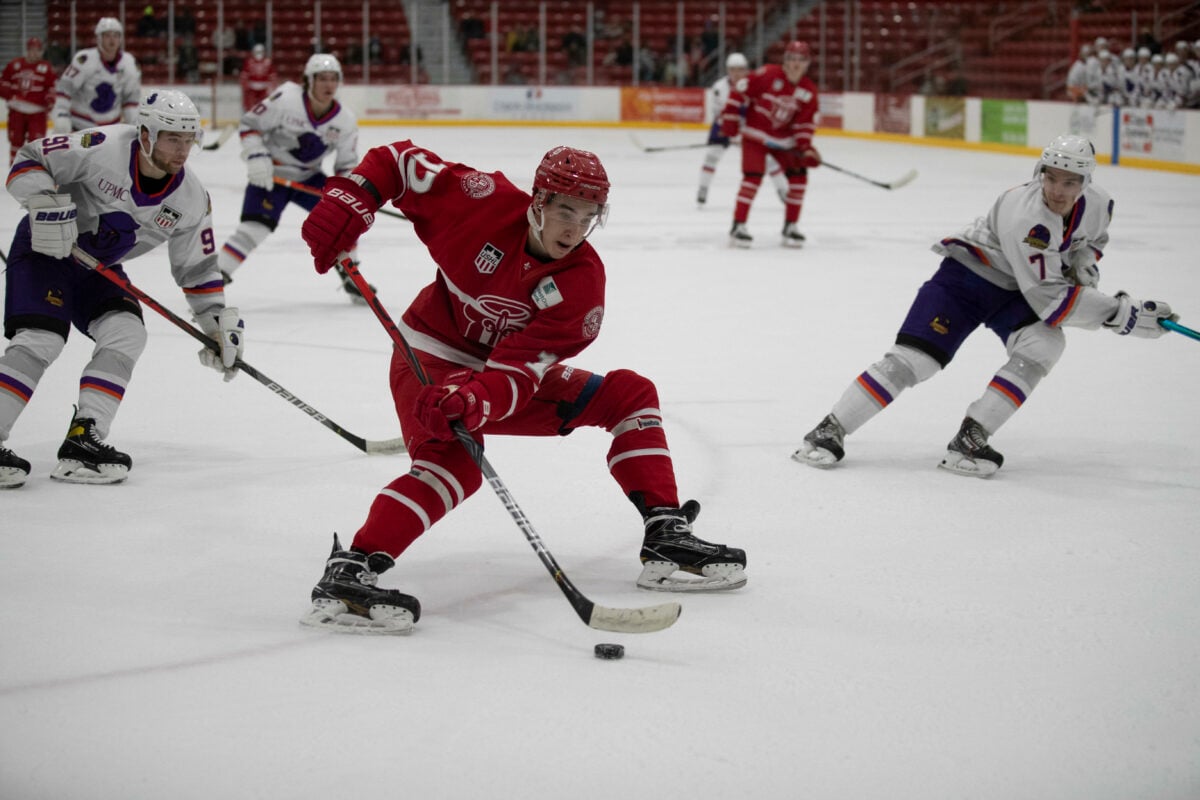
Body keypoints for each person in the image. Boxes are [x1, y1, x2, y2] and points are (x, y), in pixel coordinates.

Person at [294, 142, 748, 633]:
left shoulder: (581, 284)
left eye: (589, 215)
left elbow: (517, 375)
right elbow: (396, 163)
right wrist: (353, 197)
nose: (575, 228)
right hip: (429, 356)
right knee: (456, 465)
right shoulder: (480, 199)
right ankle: (352, 568)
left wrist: (474, 397)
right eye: (565, 211)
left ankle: (666, 532)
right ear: (537, 202)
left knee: (629, 394)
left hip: (495, 375)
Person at [791, 134, 1178, 478]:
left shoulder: (1099, 204)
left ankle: (970, 438)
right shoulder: (1027, 217)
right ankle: (829, 430)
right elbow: (1053, 302)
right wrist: (1120, 313)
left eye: (1070, 182)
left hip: (1016, 289)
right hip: (966, 280)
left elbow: (1091, 242)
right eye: (1051, 178)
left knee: (1043, 345)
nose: (1058, 190)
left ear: (1086, 182)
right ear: (1040, 172)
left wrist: (1085, 268)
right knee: (916, 361)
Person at [0, 90, 243, 489]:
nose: (182, 150)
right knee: (41, 338)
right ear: (145, 133)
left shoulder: (191, 198)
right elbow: (30, 157)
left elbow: (197, 269)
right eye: (171, 138)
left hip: (100, 269)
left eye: (188, 140)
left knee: (126, 332)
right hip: (46, 250)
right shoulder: (102, 147)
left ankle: (84, 439)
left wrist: (216, 324)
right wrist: (44, 200)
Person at [217, 53, 362, 299]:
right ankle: (212, 281)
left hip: (308, 177)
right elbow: (250, 123)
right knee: (253, 229)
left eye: (333, 79)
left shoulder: (345, 121)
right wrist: (256, 156)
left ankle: (352, 276)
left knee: (342, 221)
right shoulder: (286, 98)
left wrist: (346, 194)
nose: (328, 84)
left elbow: (346, 164)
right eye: (322, 78)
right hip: (271, 175)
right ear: (308, 80)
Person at [721, 40, 821, 248]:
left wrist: (805, 148)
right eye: (792, 59)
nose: (795, 64)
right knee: (753, 176)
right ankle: (738, 225)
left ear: (807, 63)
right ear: (785, 61)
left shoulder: (808, 91)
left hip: (784, 141)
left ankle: (790, 226)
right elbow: (740, 89)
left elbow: (804, 123)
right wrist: (730, 117)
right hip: (756, 135)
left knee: (799, 176)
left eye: (800, 60)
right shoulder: (768, 74)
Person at [696, 52, 787, 207]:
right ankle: (703, 188)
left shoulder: (755, 84)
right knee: (711, 156)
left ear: (746, 70)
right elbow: (718, 114)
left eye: (740, 69)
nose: (736, 73)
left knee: (769, 159)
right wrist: (730, 133)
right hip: (724, 126)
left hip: (749, 126)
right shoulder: (719, 88)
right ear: (728, 70)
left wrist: (746, 132)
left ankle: (783, 190)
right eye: (733, 69)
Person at [51, 17, 141, 134]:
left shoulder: (129, 63)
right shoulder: (85, 59)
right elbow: (65, 88)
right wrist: (61, 114)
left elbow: (131, 99)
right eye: (107, 35)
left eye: (116, 35)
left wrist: (134, 123)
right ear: (99, 38)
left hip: (111, 130)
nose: (112, 40)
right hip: (80, 126)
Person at [0, 38, 54, 165]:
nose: (34, 53)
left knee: (37, 144)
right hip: (16, 110)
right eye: (32, 50)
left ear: (41, 52)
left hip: (37, 112)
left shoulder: (46, 68)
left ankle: (35, 172)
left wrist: (50, 100)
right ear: (27, 50)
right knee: (15, 142)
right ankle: (15, 169)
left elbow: (51, 87)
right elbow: (3, 83)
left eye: (37, 50)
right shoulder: (14, 65)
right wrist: (10, 95)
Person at [239, 43, 277, 112]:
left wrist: (271, 88)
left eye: (260, 52)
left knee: (265, 106)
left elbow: (273, 77)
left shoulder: (268, 62)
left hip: (264, 88)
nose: (259, 54)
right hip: (251, 88)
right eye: (257, 52)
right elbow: (244, 76)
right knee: (250, 106)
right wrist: (245, 86)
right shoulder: (249, 62)